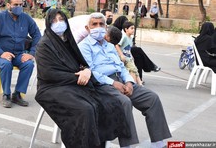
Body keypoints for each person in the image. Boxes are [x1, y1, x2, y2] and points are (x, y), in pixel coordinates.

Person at [35, 9, 130, 148]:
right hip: (51, 88)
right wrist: (78, 76)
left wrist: (86, 70)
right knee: (85, 109)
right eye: (54, 21)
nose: (59, 23)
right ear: (48, 24)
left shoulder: (68, 41)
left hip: (72, 85)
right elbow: (48, 74)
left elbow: (81, 63)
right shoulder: (44, 45)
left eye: (61, 20)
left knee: (107, 102)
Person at [78, 12, 171, 147]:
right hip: (102, 85)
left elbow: (121, 67)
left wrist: (129, 81)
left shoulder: (109, 46)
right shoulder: (84, 46)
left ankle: (158, 143)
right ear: (87, 28)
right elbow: (91, 71)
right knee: (124, 102)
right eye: (94, 24)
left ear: (105, 27)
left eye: (101, 24)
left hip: (120, 80)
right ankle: (127, 145)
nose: (98, 27)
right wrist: (113, 83)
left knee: (152, 98)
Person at [0, 0, 41, 108]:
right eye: (16, 5)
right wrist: (1, 53)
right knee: (6, 64)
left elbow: (38, 36)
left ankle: (17, 94)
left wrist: (31, 53)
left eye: (21, 4)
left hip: (18, 54)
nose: (19, 7)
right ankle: (6, 94)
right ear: (8, 5)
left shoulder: (26, 18)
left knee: (29, 64)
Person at [113, 15, 161, 81]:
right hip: (117, 52)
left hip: (125, 51)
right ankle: (151, 66)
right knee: (138, 50)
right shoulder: (114, 31)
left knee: (138, 55)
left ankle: (140, 77)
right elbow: (116, 44)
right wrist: (121, 54)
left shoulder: (124, 33)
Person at [115, 21, 143, 86]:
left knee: (135, 70)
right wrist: (121, 55)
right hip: (123, 57)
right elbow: (117, 45)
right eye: (131, 28)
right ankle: (138, 85)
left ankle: (140, 85)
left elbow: (128, 49)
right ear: (126, 29)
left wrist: (131, 56)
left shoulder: (131, 38)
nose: (133, 30)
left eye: (134, 28)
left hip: (128, 57)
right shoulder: (124, 37)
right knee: (133, 69)